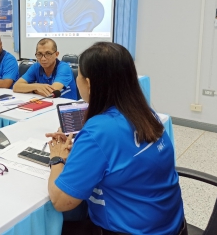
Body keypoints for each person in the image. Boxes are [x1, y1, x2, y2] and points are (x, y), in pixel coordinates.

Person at [45, 43, 185, 234]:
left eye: (78, 74)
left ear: (89, 83)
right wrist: (83, 154)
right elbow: (122, 160)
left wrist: (57, 158)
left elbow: (61, 201)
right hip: (172, 225)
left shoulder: (99, 131)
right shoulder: (145, 113)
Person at [13, 38, 77, 100]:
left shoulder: (64, 68)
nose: (43, 59)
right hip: (46, 104)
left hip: (66, 107)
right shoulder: (36, 66)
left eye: (48, 54)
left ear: (56, 54)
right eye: (39, 54)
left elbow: (51, 93)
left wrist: (30, 89)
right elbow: (16, 87)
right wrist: (37, 86)